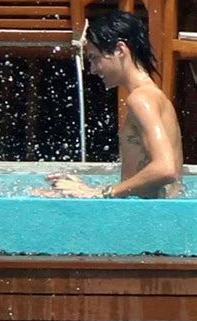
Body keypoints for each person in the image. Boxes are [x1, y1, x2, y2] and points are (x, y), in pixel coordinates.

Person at [32, 10, 183, 199]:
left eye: (95, 58)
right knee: (46, 194)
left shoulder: (141, 99)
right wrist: (83, 188)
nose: (93, 70)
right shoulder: (154, 96)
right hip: (155, 214)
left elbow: (165, 168)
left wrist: (100, 193)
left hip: (147, 219)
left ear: (120, 50)